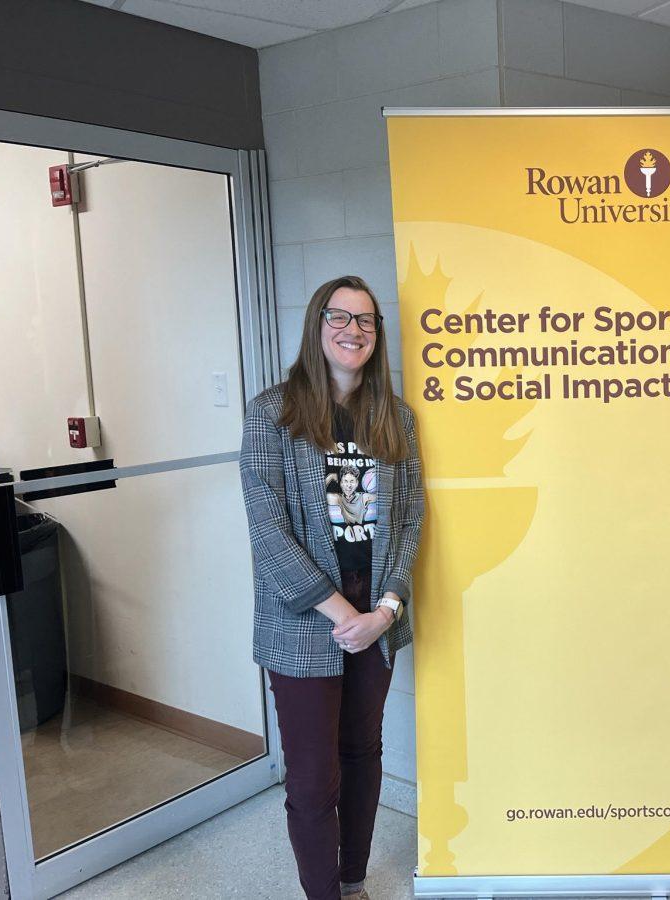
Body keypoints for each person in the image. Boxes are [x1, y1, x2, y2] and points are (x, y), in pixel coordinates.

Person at [240, 275, 422, 900]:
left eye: (366, 320)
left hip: (377, 613)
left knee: (362, 756)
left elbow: (412, 515)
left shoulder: (395, 417)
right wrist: (345, 612)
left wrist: (387, 608)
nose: (353, 330)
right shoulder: (273, 414)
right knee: (315, 779)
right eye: (339, 317)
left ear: (378, 335)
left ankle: (353, 882)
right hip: (306, 618)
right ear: (317, 325)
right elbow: (267, 529)